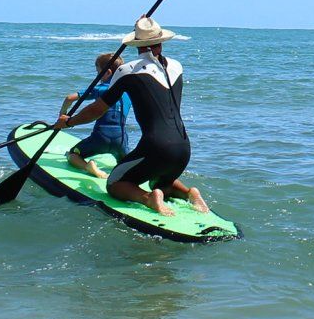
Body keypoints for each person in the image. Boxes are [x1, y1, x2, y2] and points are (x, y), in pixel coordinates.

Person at [56, 16, 208, 217]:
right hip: (183, 148)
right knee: (160, 182)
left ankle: (148, 199)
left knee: (114, 183)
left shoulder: (126, 71)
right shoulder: (177, 67)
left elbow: (97, 109)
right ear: (160, 42)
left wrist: (70, 122)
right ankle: (190, 193)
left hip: (156, 147)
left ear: (137, 44)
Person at [61, 53, 130, 178]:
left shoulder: (100, 89)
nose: (97, 75)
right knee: (124, 163)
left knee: (72, 154)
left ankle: (87, 166)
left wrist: (62, 116)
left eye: (98, 72)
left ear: (107, 73)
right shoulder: (129, 91)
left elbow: (69, 98)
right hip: (121, 141)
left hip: (100, 138)